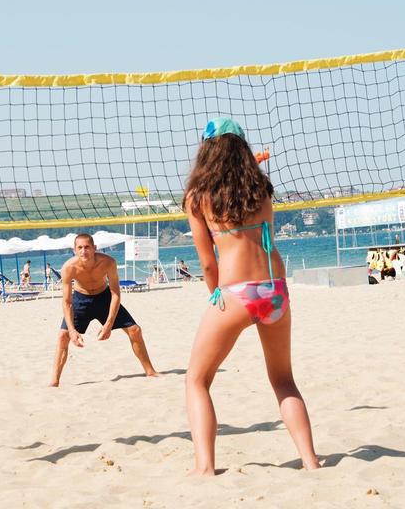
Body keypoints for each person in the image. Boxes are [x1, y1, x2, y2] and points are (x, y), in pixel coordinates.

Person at [183, 117, 318, 475]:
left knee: (196, 380)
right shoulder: (261, 188)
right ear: (242, 150)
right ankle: (311, 461)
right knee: (283, 380)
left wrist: (216, 298)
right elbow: (239, 184)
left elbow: (208, 264)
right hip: (275, 291)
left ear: (205, 152)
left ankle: (205, 468)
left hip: (235, 294)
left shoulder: (197, 198)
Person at [49, 233, 159, 387]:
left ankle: (150, 371)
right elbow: (67, 302)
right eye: (79, 248)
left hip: (104, 297)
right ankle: (54, 381)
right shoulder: (69, 268)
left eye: (87, 247)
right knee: (63, 336)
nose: (83, 251)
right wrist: (72, 331)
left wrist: (108, 324)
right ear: (74, 250)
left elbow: (115, 293)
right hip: (81, 299)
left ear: (94, 248)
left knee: (135, 330)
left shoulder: (108, 262)